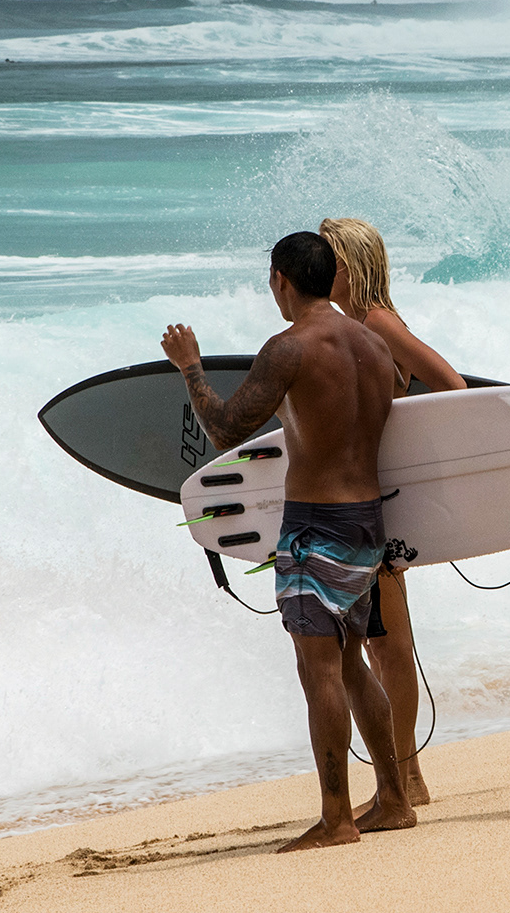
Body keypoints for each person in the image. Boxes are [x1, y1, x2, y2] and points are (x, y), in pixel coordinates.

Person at [160, 231, 417, 852]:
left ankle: (336, 817)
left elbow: (225, 431)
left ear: (281, 280)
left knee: (318, 667)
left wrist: (190, 366)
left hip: (315, 527)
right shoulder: (375, 345)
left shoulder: (289, 348)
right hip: (367, 525)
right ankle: (393, 798)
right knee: (353, 658)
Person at [319, 217, 467, 808]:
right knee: (382, 642)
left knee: (388, 645)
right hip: (367, 500)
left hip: (380, 504)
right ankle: (410, 777)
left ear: (351, 265)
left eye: (329, 260)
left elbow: (454, 389)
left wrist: (411, 464)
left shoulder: (378, 322)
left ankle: (404, 777)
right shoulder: (349, 325)